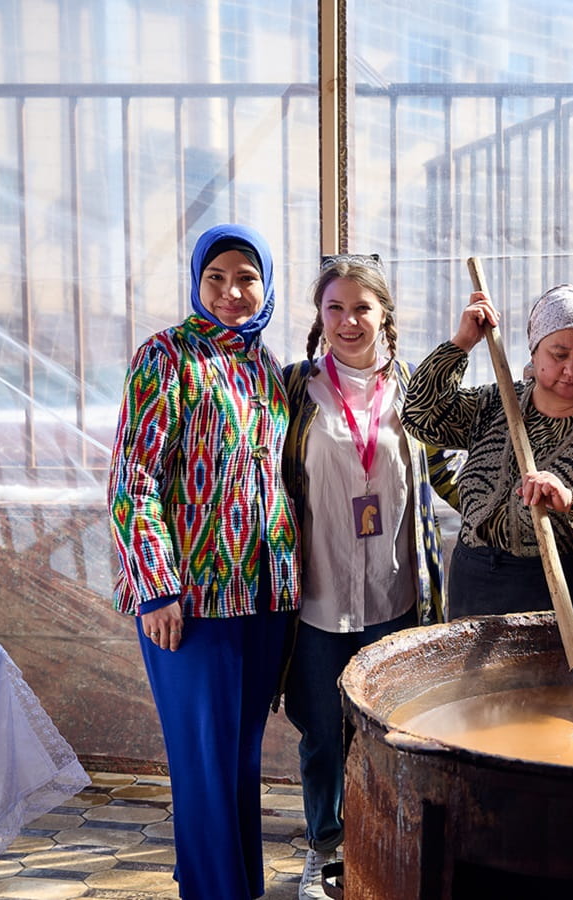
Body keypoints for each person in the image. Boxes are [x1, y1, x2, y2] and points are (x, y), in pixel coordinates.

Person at [107, 223, 299, 900]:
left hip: (262, 598)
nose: (230, 292)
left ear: (266, 284)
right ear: (196, 281)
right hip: (190, 603)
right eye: (215, 277)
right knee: (204, 767)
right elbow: (135, 480)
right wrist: (156, 589)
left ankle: (230, 886)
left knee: (238, 763)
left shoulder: (266, 367)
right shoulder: (166, 357)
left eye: (245, 277)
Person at [280, 254, 457, 898]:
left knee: (389, 731)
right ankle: (325, 849)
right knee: (324, 735)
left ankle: (387, 845)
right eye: (335, 308)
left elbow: (446, 475)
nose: (349, 321)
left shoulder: (417, 392)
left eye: (362, 307)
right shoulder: (295, 390)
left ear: (385, 312)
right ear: (319, 317)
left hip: (393, 594)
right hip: (319, 597)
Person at [401, 283, 573, 616]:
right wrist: (462, 343)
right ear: (534, 351)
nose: (571, 368)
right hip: (480, 584)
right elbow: (420, 416)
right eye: (558, 354)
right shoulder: (495, 404)